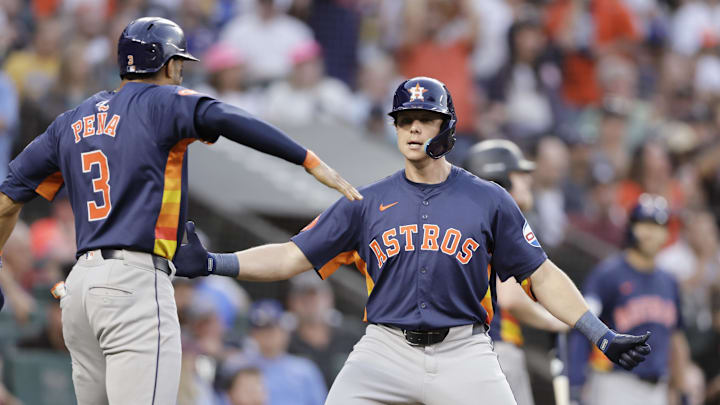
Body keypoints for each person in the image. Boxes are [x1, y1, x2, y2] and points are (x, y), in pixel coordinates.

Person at [174, 76, 651, 405]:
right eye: (405, 119)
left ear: (447, 127)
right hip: (385, 348)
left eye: (425, 117)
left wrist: (599, 333)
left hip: (464, 350)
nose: (413, 128)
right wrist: (217, 262)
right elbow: (290, 256)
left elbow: (541, 275)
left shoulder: (489, 199)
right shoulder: (365, 201)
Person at [0, 17, 360, 405]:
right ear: (168, 65)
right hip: (134, 283)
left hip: (80, 289)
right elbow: (225, 117)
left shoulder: (70, 120)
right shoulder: (162, 101)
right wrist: (307, 160)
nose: (181, 73)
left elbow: (6, 203)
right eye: (180, 65)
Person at [462, 139, 569, 405]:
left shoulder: (468, 223)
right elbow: (509, 296)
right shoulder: (499, 222)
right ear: (498, 179)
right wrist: (553, 319)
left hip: (465, 352)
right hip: (494, 349)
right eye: (519, 175)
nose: (528, 181)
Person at [568, 194, 689, 405]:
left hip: (658, 388)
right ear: (631, 227)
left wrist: (681, 387)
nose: (651, 233)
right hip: (615, 384)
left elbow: (676, 338)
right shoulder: (608, 274)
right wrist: (576, 382)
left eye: (658, 226)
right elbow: (583, 326)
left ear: (667, 233)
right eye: (644, 224)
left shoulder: (669, 281)